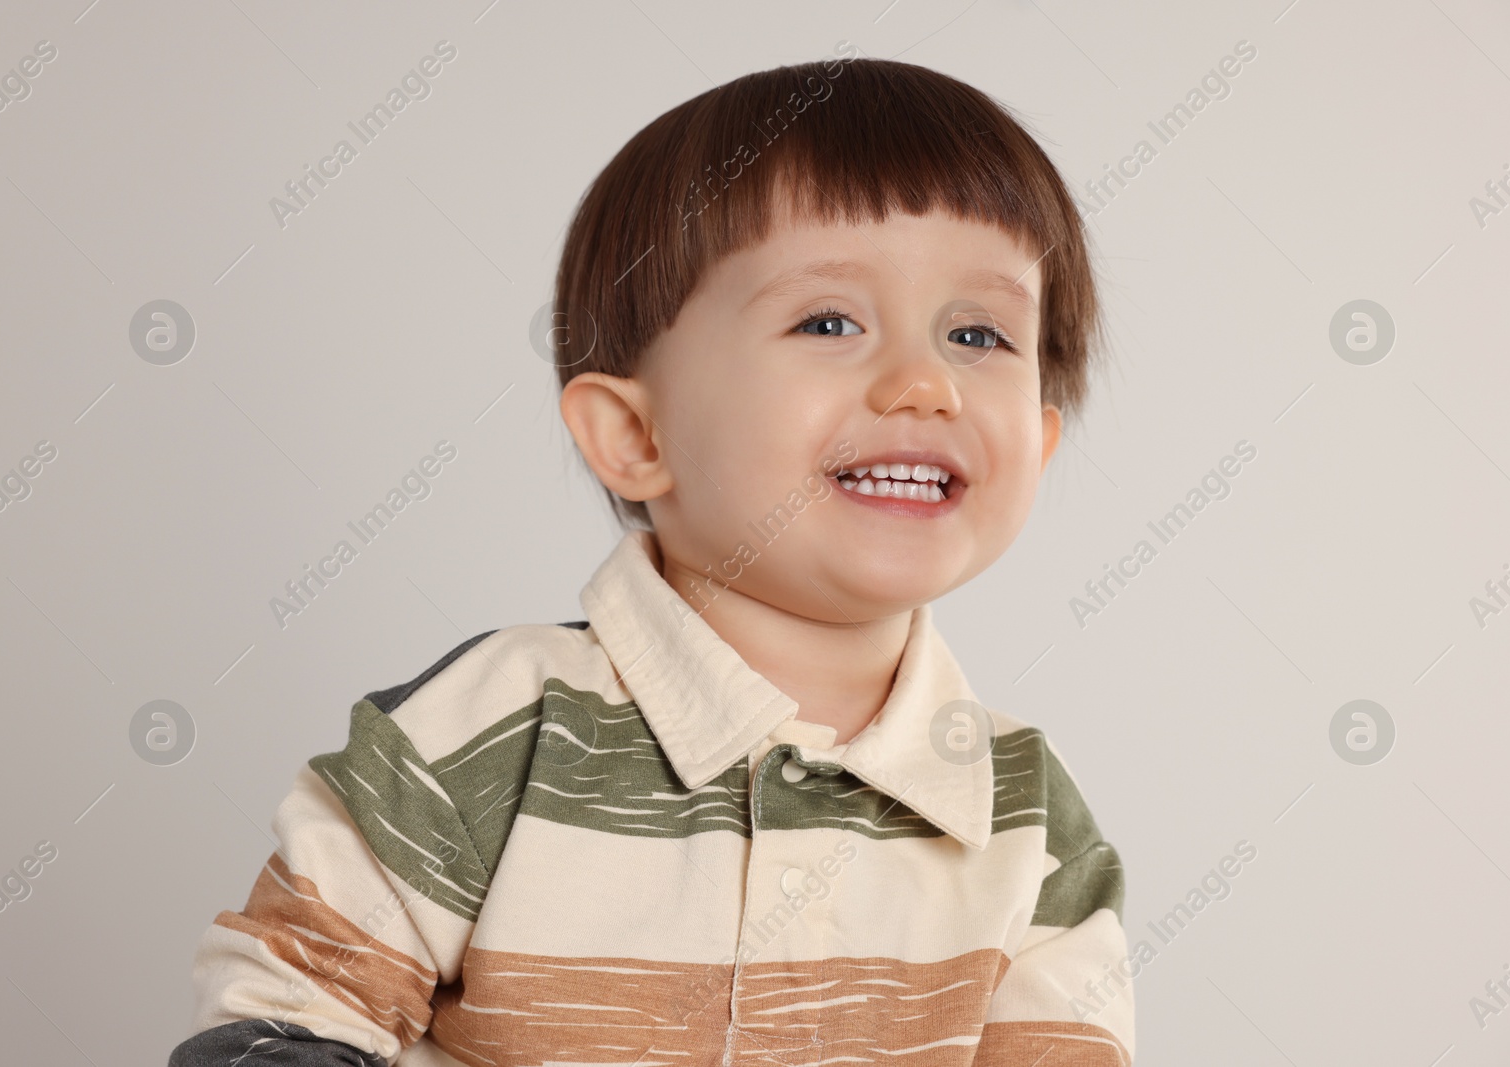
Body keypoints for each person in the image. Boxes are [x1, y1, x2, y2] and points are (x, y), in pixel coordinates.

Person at [169, 48, 1135, 1067]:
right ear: (636, 435)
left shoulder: (1027, 809)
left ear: (1040, 439)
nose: (922, 383)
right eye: (829, 320)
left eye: (977, 333)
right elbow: (279, 1025)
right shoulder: (491, 731)